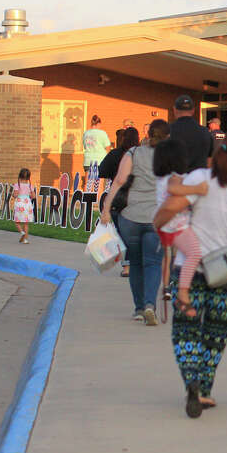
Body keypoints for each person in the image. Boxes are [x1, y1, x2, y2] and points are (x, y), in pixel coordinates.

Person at [153, 130, 227, 418]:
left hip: (189, 267)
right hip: (226, 270)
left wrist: (161, 225)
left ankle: (191, 377)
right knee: (216, 332)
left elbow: (170, 208)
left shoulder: (198, 178)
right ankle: (204, 389)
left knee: (185, 329)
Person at [100, 119, 170, 326]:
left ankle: (139, 308)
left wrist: (106, 209)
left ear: (148, 135)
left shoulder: (133, 154)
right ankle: (150, 304)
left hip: (130, 215)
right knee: (153, 262)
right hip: (156, 217)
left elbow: (119, 181)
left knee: (136, 262)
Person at [152, 138, 209, 319]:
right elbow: (175, 190)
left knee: (173, 258)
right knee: (194, 253)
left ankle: (169, 286)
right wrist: (198, 188)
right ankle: (183, 295)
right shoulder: (173, 178)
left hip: (168, 227)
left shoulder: (162, 178)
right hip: (175, 226)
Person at [99, 127, 140, 277]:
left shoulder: (116, 154)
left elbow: (101, 171)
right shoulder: (141, 154)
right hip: (138, 197)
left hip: (118, 198)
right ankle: (137, 263)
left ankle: (127, 267)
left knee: (123, 234)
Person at [170, 95, 214, 172]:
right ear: (193, 110)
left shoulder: (167, 131)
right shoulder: (206, 132)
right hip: (199, 181)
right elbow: (209, 162)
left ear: (174, 109)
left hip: (175, 180)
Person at [13, 168, 36, 244]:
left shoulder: (17, 185)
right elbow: (34, 196)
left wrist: (13, 194)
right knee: (26, 223)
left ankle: (22, 232)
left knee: (17, 222)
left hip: (20, 204)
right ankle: (25, 240)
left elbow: (15, 195)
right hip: (27, 204)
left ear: (19, 176)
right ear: (29, 177)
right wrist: (28, 194)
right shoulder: (30, 186)